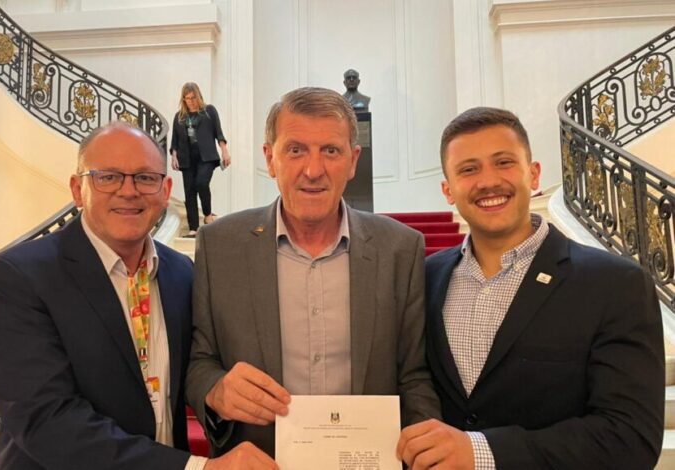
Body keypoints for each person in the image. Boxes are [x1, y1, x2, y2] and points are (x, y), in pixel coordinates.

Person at [0, 122, 275, 469]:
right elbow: (47, 420)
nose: (129, 191)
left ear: (165, 190)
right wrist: (195, 468)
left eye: (145, 178)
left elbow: (195, 370)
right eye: (108, 177)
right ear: (78, 190)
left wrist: (216, 387)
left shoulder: (182, 273)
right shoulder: (19, 277)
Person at [396, 107, 664, 469]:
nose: (488, 181)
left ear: (533, 174)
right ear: (448, 190)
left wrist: (482, 452)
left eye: (504, 162)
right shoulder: (424, 278)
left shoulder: (615, 284)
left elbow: (630, 437)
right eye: (468, 169)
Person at [185, 87, 440, 457]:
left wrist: (425, 451)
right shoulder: (219, 246)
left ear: (353, 161)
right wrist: (215, 388)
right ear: (270, 158)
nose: (313, 170)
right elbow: (199, 362)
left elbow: (414, 375)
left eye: (331, 151)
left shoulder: (400, 248)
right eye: (296, 150)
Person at [170, 82, 230, 238]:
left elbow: (218, 132)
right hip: (186, 157)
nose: (191, 101)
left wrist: (224, 151)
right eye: (187, 98)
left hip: (206, 156)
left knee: (202, 183)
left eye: (193, 97)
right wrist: (174, 156)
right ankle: (193, 228)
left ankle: (208, 215)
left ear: (199, 96)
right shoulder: (179, 117)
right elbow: (175, 139)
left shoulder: (209, 111)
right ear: (183, 99)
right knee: (189, 191)